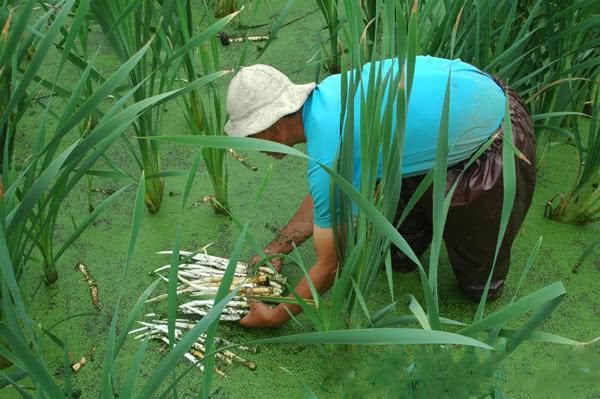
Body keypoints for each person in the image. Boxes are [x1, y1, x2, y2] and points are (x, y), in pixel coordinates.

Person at [224, 56, 536, 329]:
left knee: (479, 288)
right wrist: (277, 248)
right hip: (452, 112)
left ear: (272, 126)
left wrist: (277, 315)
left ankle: (480, 277)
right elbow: (328, 199)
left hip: (493, 136)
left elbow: (332, 262)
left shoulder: (329, 147)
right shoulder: (328, 97)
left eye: (252, 136)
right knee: (398, 255)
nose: (255, 147)